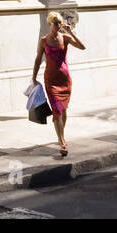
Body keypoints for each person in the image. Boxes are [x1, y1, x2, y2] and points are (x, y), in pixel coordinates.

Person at [32, 11, 86, 157]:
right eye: (55, 23)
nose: (58, 25)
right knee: (57, 110)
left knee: (64, 110)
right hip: (51, 80)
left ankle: (61, 133)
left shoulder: (66, 38)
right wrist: (33, 77)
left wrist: (72, 32)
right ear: (49, 24)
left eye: (59, 22)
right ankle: (61, 140)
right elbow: (38, 59)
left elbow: (83, 47)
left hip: (65, 79)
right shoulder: (44, 40)